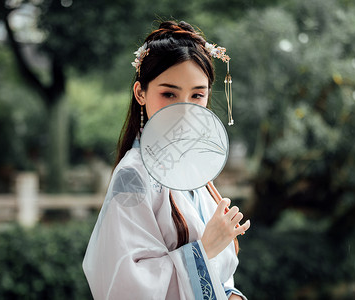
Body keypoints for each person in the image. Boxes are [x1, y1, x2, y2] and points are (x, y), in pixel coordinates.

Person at [82, 20, 251, 299]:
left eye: (197, 95)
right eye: (169, 94)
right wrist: (205, 249)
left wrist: (231, 292)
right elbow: (124, 285)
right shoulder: (133, 176)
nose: (184, 109)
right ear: (141, 93)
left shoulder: (196, 170)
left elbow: (221, 274)